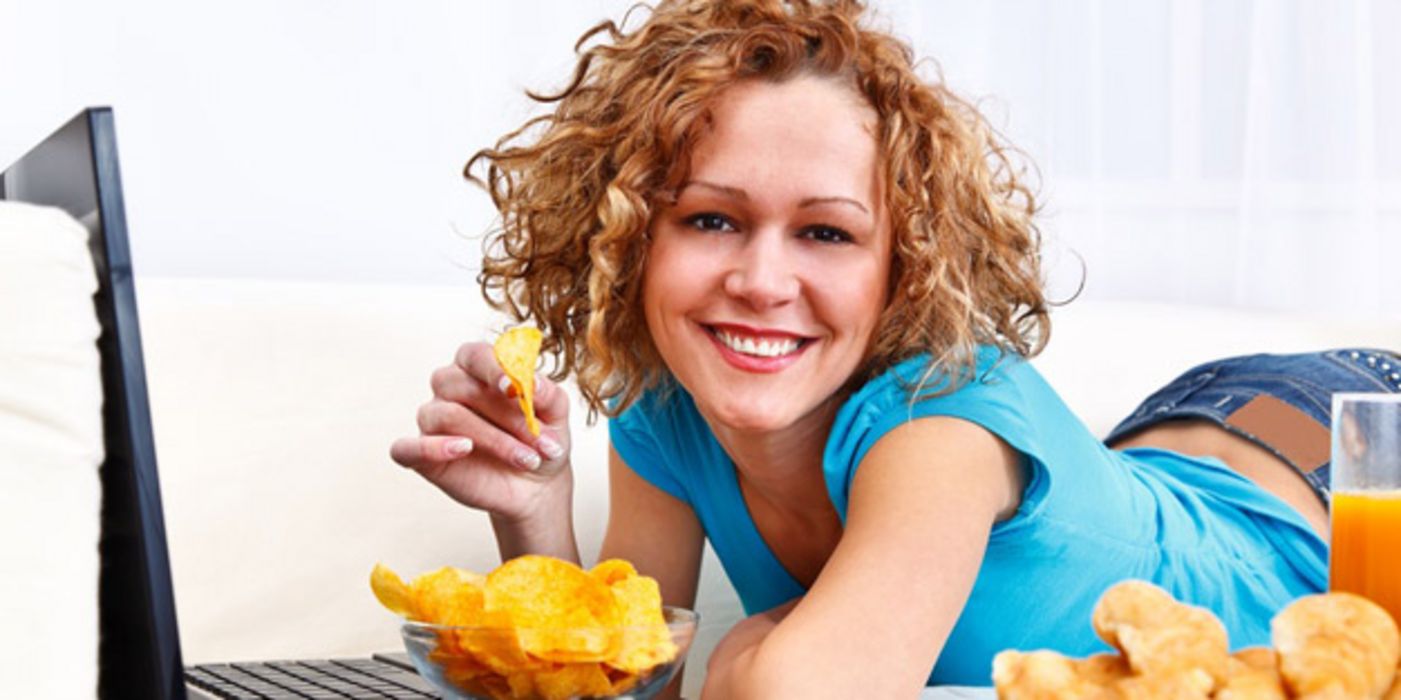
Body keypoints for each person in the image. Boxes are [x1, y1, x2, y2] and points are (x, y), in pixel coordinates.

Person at [389, 0, 1401, 695]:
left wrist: (748, 648)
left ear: (902, 270)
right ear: (629, 236)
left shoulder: (939, 428)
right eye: (710, 219)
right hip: (1176, 446)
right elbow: (618, 674)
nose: (762, 280)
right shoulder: (664, 413)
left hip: (1325, 456)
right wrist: (535, 511)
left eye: (826, 232)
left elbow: (796, 693)